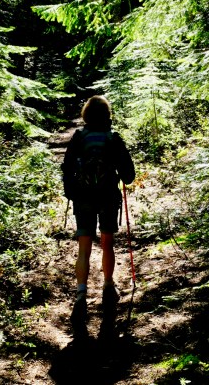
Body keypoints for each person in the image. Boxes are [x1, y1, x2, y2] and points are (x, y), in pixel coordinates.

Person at [61, 95, 135, 324]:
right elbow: (129, 176)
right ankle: (107, 287)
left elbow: (68, 168)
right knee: (107, 243)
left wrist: (72, 191)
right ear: (107, 115)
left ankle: (81, 294)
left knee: (84, 247)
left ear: (86, 115)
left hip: (83, 198)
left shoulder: (79, 138)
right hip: (107, 197)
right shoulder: (113, 138)